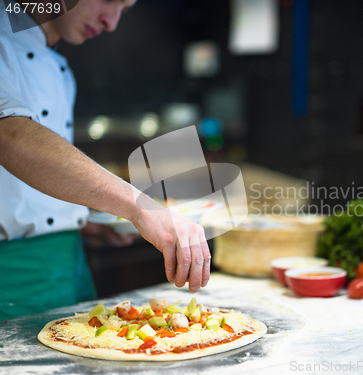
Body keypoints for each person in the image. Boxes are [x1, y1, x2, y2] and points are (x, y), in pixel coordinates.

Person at [0, 0, 211, 320]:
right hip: (12, 276)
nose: (111, 23)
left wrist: (82, 222)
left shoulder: (61, 72)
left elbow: (26, 184)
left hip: (70, 267)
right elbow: (11, 137)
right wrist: (141, 207)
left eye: (124, 10)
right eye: (109, 0)